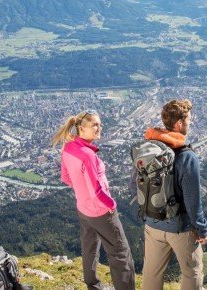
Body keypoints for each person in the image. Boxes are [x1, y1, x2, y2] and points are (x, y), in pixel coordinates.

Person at [52, 110, 136, 290]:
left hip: (83, 208)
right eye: (95, 125)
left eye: (100, 124)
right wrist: (111, 204)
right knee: (120, 253)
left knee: (89, 247)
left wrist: (82, 191)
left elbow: (66, 177)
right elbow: (97, 191)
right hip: (100, 211)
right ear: (81, 129)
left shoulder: (68, 147)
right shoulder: (88, 155)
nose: (99, 128)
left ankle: (93, 285)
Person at [139, 99, 207, 290]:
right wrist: (202, 229)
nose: (190, 123)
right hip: (180, 228)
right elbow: (193, 201)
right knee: (192, 272)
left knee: (151, 274)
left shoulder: (149, 150)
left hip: (152, 223)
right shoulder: (187, 157)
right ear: (179, 123)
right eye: (189, 120)